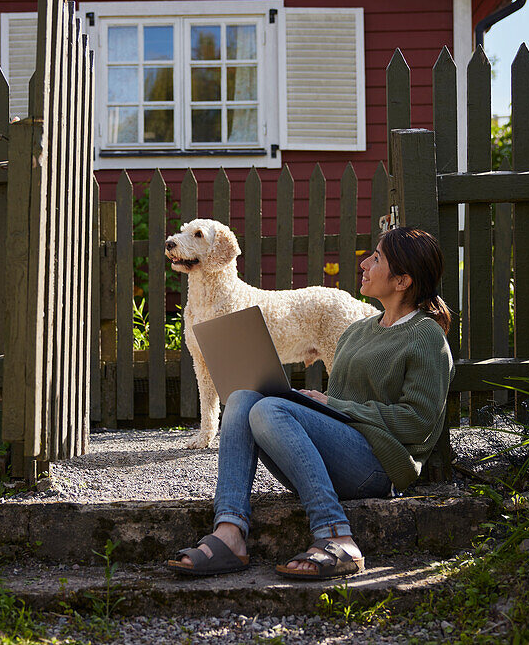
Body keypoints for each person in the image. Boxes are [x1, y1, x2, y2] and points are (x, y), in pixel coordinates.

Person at [166, 227, 455, 580]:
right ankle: (229, 533)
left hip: (379, 467)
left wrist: (333, 405)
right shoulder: (359, 330)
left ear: (402, 281)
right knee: (243, 397)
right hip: (335, 453)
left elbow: (419, 423)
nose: (364, 263)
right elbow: (340, 410)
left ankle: (337, 535)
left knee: (271, 408)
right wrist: (317, 406)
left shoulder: (426, 336)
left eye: (377, 258)